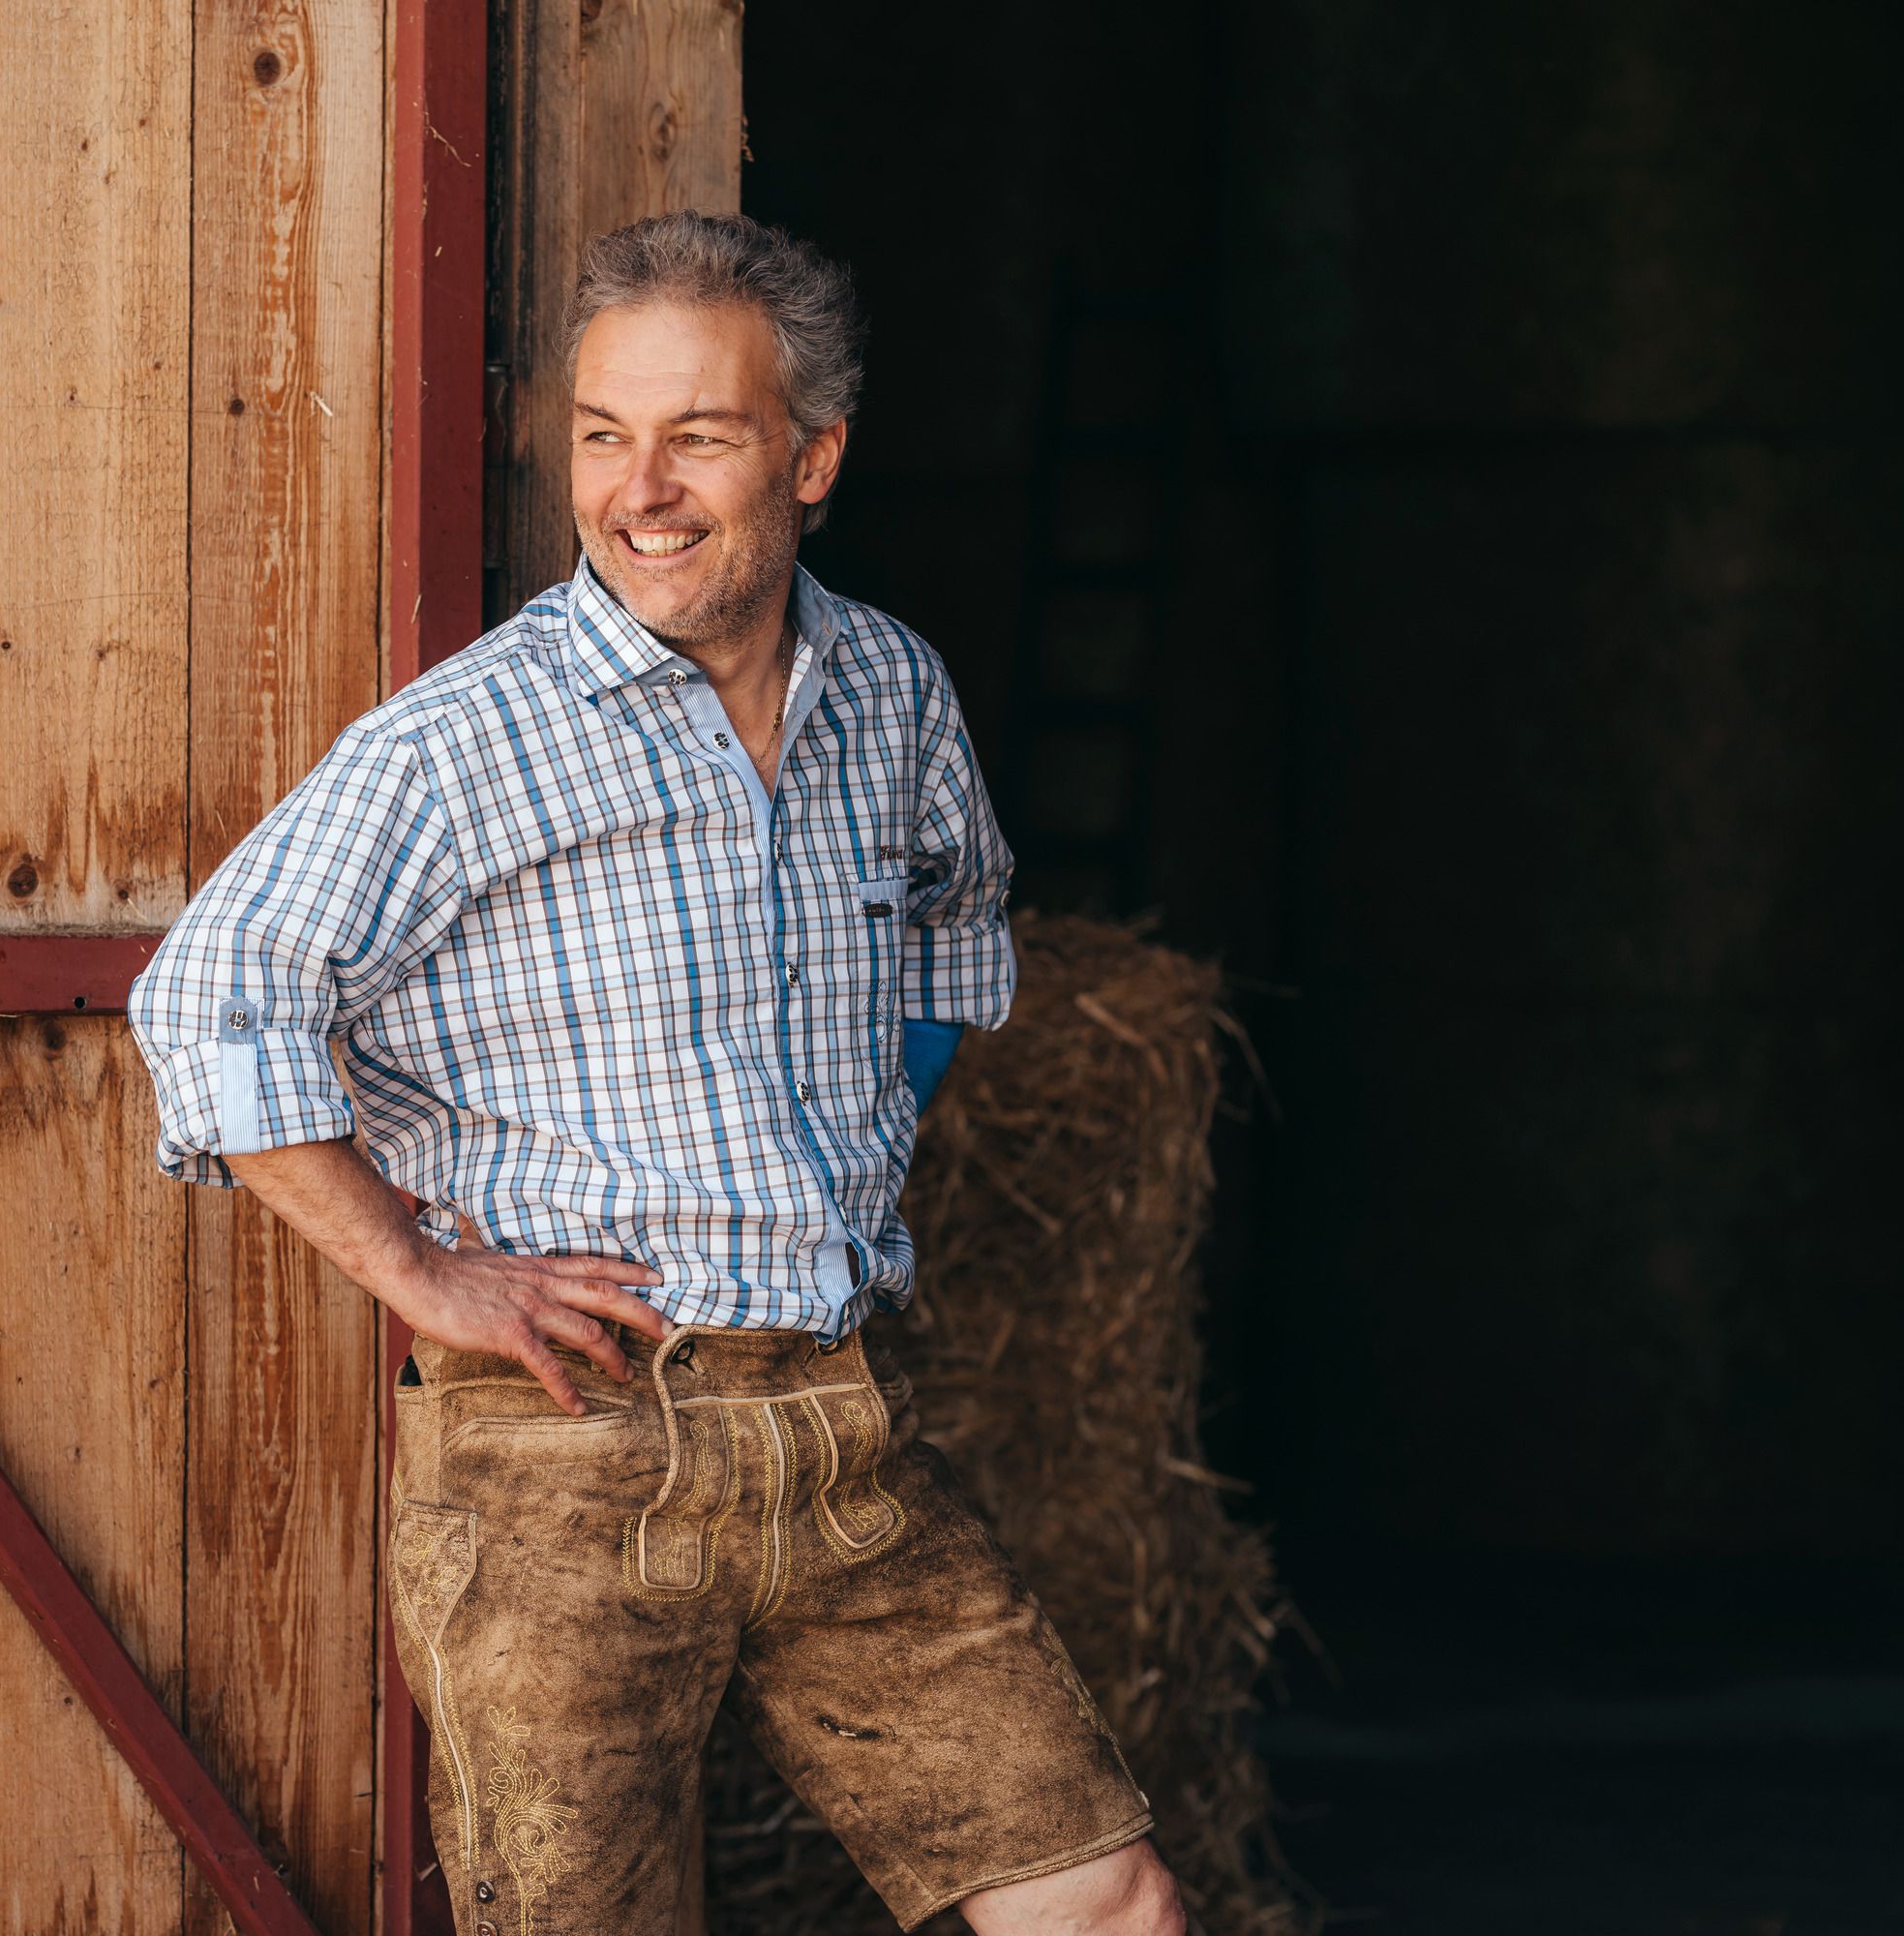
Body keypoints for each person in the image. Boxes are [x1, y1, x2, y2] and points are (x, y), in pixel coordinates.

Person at [129, 210, 1183, 1936]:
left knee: (1103, 1900)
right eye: (606, 439)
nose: (643, 489)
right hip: (567, 1453)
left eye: (700, 434)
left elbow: (951, 929)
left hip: (832, 1430)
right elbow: (209, 1003)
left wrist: (850, 1154)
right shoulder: (471, 737)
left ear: (814, 456)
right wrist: (417, 1270)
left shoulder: (892, 696)